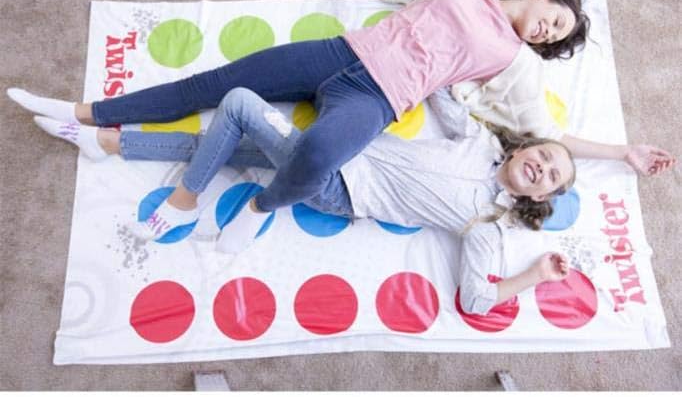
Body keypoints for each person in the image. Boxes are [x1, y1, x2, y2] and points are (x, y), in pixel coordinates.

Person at [7, 0, 673, 247]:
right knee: (210, 84)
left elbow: (548, 136)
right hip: (339, 52)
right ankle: (84, 112)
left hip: (377, 99)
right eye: (554, 19)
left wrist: (622, 152)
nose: (547, 31)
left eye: (554, 37)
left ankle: (259, 209)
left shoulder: (515, 63)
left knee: (320, 152)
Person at [29, 86, 575, 316]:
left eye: (551, 177)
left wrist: (536, 276)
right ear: (528, 145)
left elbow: (476, 300)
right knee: (221, 141)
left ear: (540, 196)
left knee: (239, 104)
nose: (542, 167)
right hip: (336, 144)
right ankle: (107, 143)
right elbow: (438, 85)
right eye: (547, 155)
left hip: (337, 187)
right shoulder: (478, 139)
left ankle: (183, 199)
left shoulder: (489, 225)